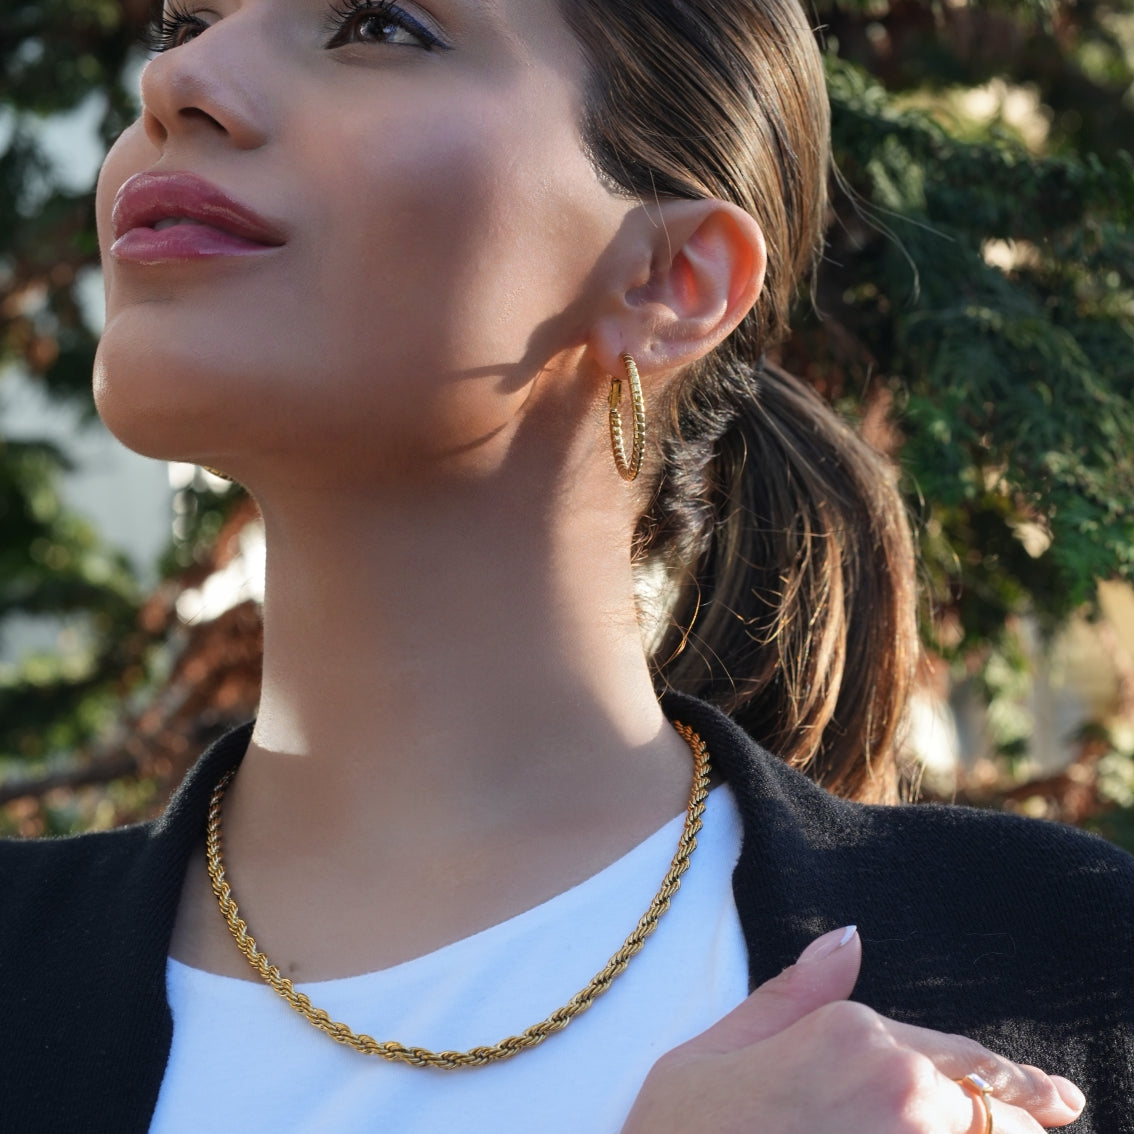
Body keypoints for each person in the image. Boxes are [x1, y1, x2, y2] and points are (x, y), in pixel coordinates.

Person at [2, 0, 1132, 1130]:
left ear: (672, 280)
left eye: (378, 25)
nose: (177, 81)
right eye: (183, 25)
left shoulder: (1062, 967)